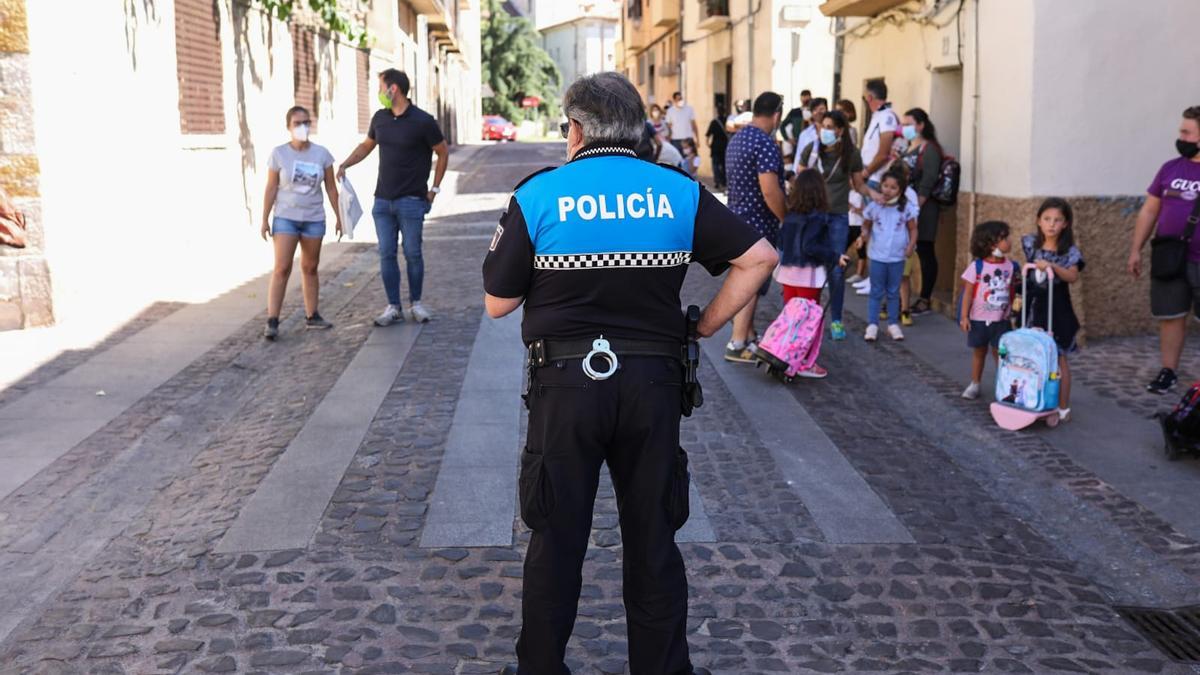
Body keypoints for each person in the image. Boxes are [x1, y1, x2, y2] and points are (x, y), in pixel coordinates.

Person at [482, 71, 776, 675]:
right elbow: (759, 257)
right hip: (653, 386)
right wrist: (702, 327)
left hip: (565, 388)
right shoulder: (676, 190)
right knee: (652, 539)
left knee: (557, 538)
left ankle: (540, 667)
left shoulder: (542, 192)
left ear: (579, 129)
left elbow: (497, 301)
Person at [338, 69, 448, 326]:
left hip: (412, 201)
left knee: (412, 253)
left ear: (393, 89)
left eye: (380, 87)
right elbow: (367, 146)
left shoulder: (423, 121)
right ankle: (393, 306)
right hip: (382, 202)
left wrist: (435, 189)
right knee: (386, 254)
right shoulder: (380, 118)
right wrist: (345, 164)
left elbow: (442, 152)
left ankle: (416, 304)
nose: (378, 92)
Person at [1128, 105, 1200, 395]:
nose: (1180, 136)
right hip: (1169, 257)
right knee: (1171, 316)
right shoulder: (1170, 168)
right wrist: (1136, 249)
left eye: (1186, 132)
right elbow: (1149, 211)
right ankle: (1168, 371)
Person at [260, 106, 341, 340]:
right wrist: (265, 219)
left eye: (306, 122)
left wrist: (339, 216)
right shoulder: (279, 154)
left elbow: (331, 188)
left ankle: (312, 314)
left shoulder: (322, 154)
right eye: (297, 123)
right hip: (286, 217)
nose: (302, 127)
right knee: (282, 267)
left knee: (310, 267)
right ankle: (273, 319)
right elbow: (271, 187)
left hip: (313, 218)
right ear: (288, 127)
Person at [723, 91, 787, 362]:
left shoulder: (737, 139)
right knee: (751, 282)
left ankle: (747, 335)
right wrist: (786, 217)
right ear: (777, 115)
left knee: (743, 279)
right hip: (759, 224)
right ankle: (737, 343)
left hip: (736, 220)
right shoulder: (765, 143)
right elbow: (770, 190)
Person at [796, 110, 865, 341]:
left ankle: (836, 319)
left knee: (836, 268)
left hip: (837, 216)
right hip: (814, 214)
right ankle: (805, 316)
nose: (824, 130)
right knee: (809, 265)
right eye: (822, 125)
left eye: (829, 126)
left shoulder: (851, 154)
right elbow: (800, 178)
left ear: (840, 130)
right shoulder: (811, 150)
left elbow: (858, 184)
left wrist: (875, 196)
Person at [774, 169, 847, 379]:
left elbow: (781, 243)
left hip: (788, 274)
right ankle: (804, 363)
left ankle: (786, 358)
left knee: (791, 320)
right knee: (808, 322)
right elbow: (811, 246)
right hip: (807, 277)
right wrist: (835, 256)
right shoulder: (817, 217)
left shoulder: (790, 215)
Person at [1024, 198, 1084, 421]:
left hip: (1057, 307)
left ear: (1065, 224)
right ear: (1039, 221)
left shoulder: (1069, 251)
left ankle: (1062, 406)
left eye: (1057, 220)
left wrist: (1053, 266)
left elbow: (1072, 276)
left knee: (1058, 357)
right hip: (1034, 305)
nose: (1051, 224)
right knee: (1033, 355)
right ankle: (1035, 398)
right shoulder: (1031, 243)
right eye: (1047, 219)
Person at [959, 221, 1016, 400]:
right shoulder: (977, 267)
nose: (1009, 241)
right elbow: (968, 294)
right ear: (992, 244)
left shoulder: (1011, 266)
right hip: (979, 319)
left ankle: (1004, 384)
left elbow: (1016, 290)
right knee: (979, 352)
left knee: (1001, 354)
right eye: (1004, 238)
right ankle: (975, 383)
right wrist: (964, 317)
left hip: (1002, 320)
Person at [862, 166, 918, 341]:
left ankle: (893, 324)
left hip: (897, 256)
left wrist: (911, 245)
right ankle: (872, 324)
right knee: (876, 291)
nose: (888, 190)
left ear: (900, 191)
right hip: (877, 256)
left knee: (894, 291)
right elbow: (866, 225)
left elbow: (913, 229)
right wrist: (863, 236)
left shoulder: (906, 208)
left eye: (893, 188)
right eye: (885, 186)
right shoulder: (874, 207)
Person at [900, 108, 945, 318]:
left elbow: (928, 181)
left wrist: (916, 208)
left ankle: (925, 297)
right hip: (909, 208)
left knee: (925, 250)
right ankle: (901, 300)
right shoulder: (910, 147)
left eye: (909, 123)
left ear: (920, 125)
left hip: (924, 209)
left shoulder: (930, 150)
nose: (905, 127)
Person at [861, 81, 899, 189]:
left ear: (869, 97)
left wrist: (865, 173)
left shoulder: (886, 116)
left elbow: (883, 154)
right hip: (869, 176)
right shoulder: (878, 115)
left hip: (875, 179)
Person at [791, 98, 828, 175]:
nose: (818, 112)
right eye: (815, 110)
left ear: (827, 110)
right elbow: (799, 156)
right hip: (809, 176)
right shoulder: (805, 134)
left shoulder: (832, 132)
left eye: (821, 109)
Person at [665, 92, 700, 169]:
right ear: (674, 100)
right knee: (677, 161)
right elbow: (668, 127)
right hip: (675, 140)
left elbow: (694, 125)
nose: (680, 100)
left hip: (688, 139)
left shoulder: (689, 109)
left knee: (692, 160)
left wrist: (697, 139)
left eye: (681, 98)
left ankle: (690, 176)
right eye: (678, 99)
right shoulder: (670, 111)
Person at [705, 105, 729, 190]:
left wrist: (708, 144)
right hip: (725, 146)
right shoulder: (728, 121)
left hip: (715, 146)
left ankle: (717, 181)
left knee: (715, 165)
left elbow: (708, 136)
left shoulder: (714, 122)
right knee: (724, 165)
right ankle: (724, 181)